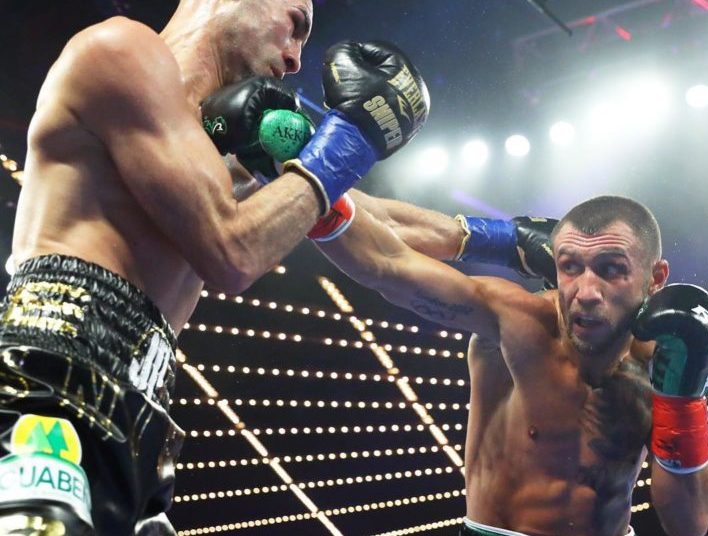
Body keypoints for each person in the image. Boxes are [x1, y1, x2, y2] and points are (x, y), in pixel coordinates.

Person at [0, 0, 430, 532]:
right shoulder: (120, 50)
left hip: (144, 418)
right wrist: (348, 142)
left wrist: (500, 239)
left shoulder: (231, 141)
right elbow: (232, 252)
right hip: (52, 376)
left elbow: (372, 220)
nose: (297, 58)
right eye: (295, 25)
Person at [314, 194, 708, 536]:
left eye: (611, 269)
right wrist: (311, 177)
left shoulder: (667, 359)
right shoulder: (516, 323)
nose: (586, 292)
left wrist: (682, 402)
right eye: (570, 266)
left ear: (656, 278)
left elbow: (688, 522)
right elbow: (385, 265)